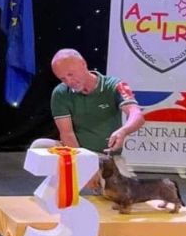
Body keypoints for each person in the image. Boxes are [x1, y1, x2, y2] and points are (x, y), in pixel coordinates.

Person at [49, 48, 144, 187]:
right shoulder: (61, 93)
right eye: (63, 78)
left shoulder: (115, 85)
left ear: (83, 64)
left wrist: (124, 131)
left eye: (71, 74)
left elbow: (137, 115)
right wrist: (83, 166)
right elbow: (67, 134)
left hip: (106, 157)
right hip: (76, 152)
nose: (69, 81)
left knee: (124, 193)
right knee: (39, 146)